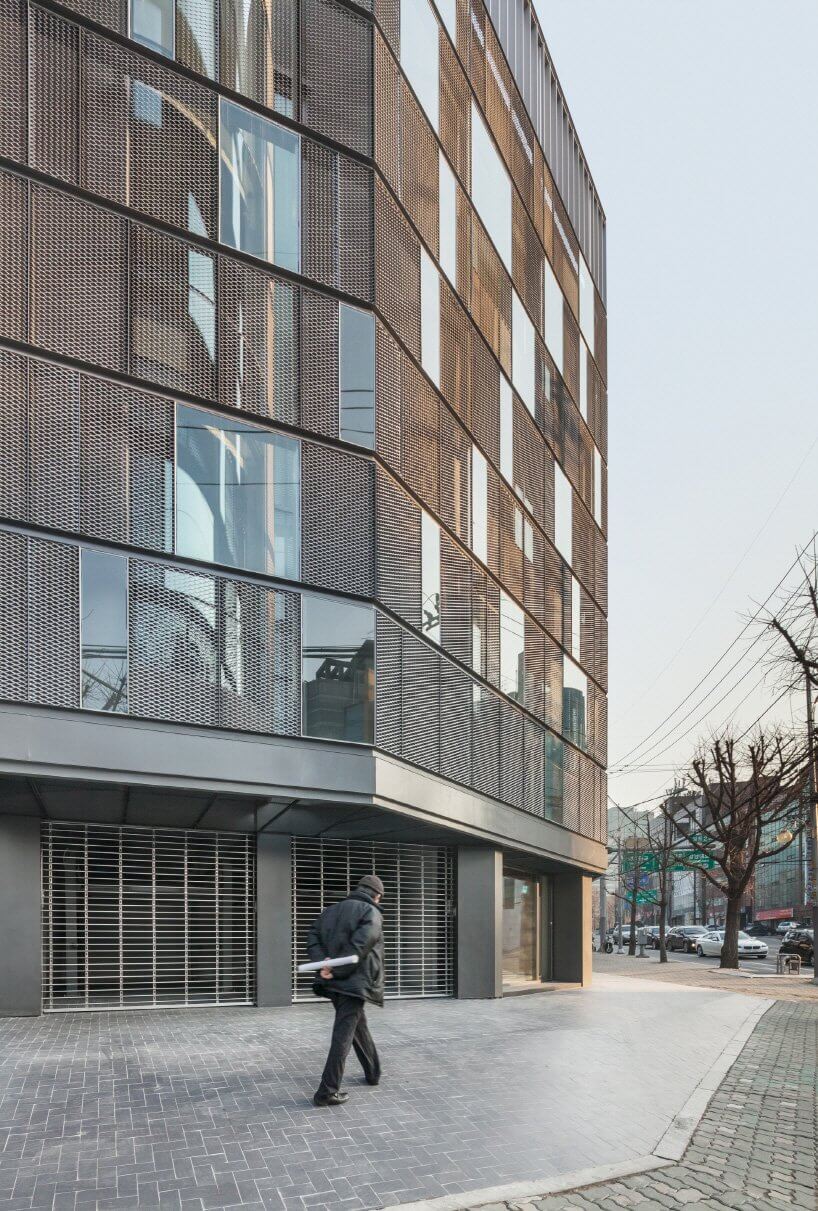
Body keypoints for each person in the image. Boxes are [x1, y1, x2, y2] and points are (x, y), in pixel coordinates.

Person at [307, 873, 385, 1107]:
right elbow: (360, 947)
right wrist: (335, 970)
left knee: (358, 1026)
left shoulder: (330, 911)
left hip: (334, 982)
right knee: (343, 1035)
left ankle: (373, 1073)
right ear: (377, 895)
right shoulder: (371, 912)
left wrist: (324, 965)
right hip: (354, 983)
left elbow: (313, 937)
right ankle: (327, 1091)